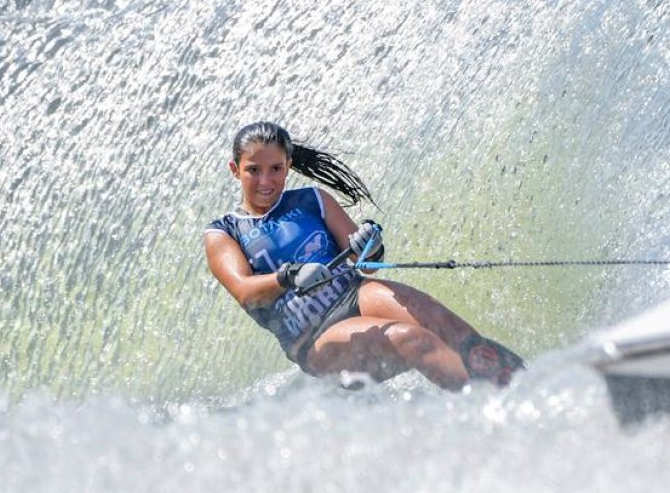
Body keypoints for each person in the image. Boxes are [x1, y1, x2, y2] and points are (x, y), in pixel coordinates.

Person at [203, 121, 524, 391]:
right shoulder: (224, 232)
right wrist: (288, 276)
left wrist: (368, 242)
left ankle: (530, 386)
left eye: (275, 169)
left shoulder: (313, 199)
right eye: (253, 170)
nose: (265, 181)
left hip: (355, 293)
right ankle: (493, 410)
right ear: (235, 169)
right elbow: (245, 292)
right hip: (314, 339)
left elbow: (366, 264)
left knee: (447, 327)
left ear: (288, 164)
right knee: (413, 340)